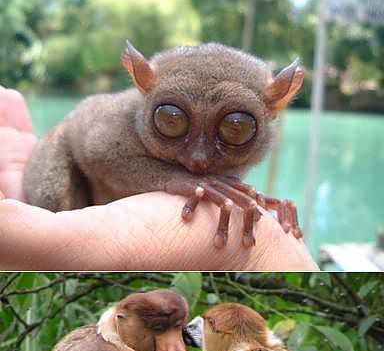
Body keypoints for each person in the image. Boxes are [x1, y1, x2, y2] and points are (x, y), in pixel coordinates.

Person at [0, 87, 318, 270]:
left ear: (272, 108)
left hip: (114, 198)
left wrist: (267, 243)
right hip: (72, 161)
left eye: (235, 129)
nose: (199, 158)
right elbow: (98, 151)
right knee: (50, 196)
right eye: (172, 121)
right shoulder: (122, 121)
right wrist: (169, 179)